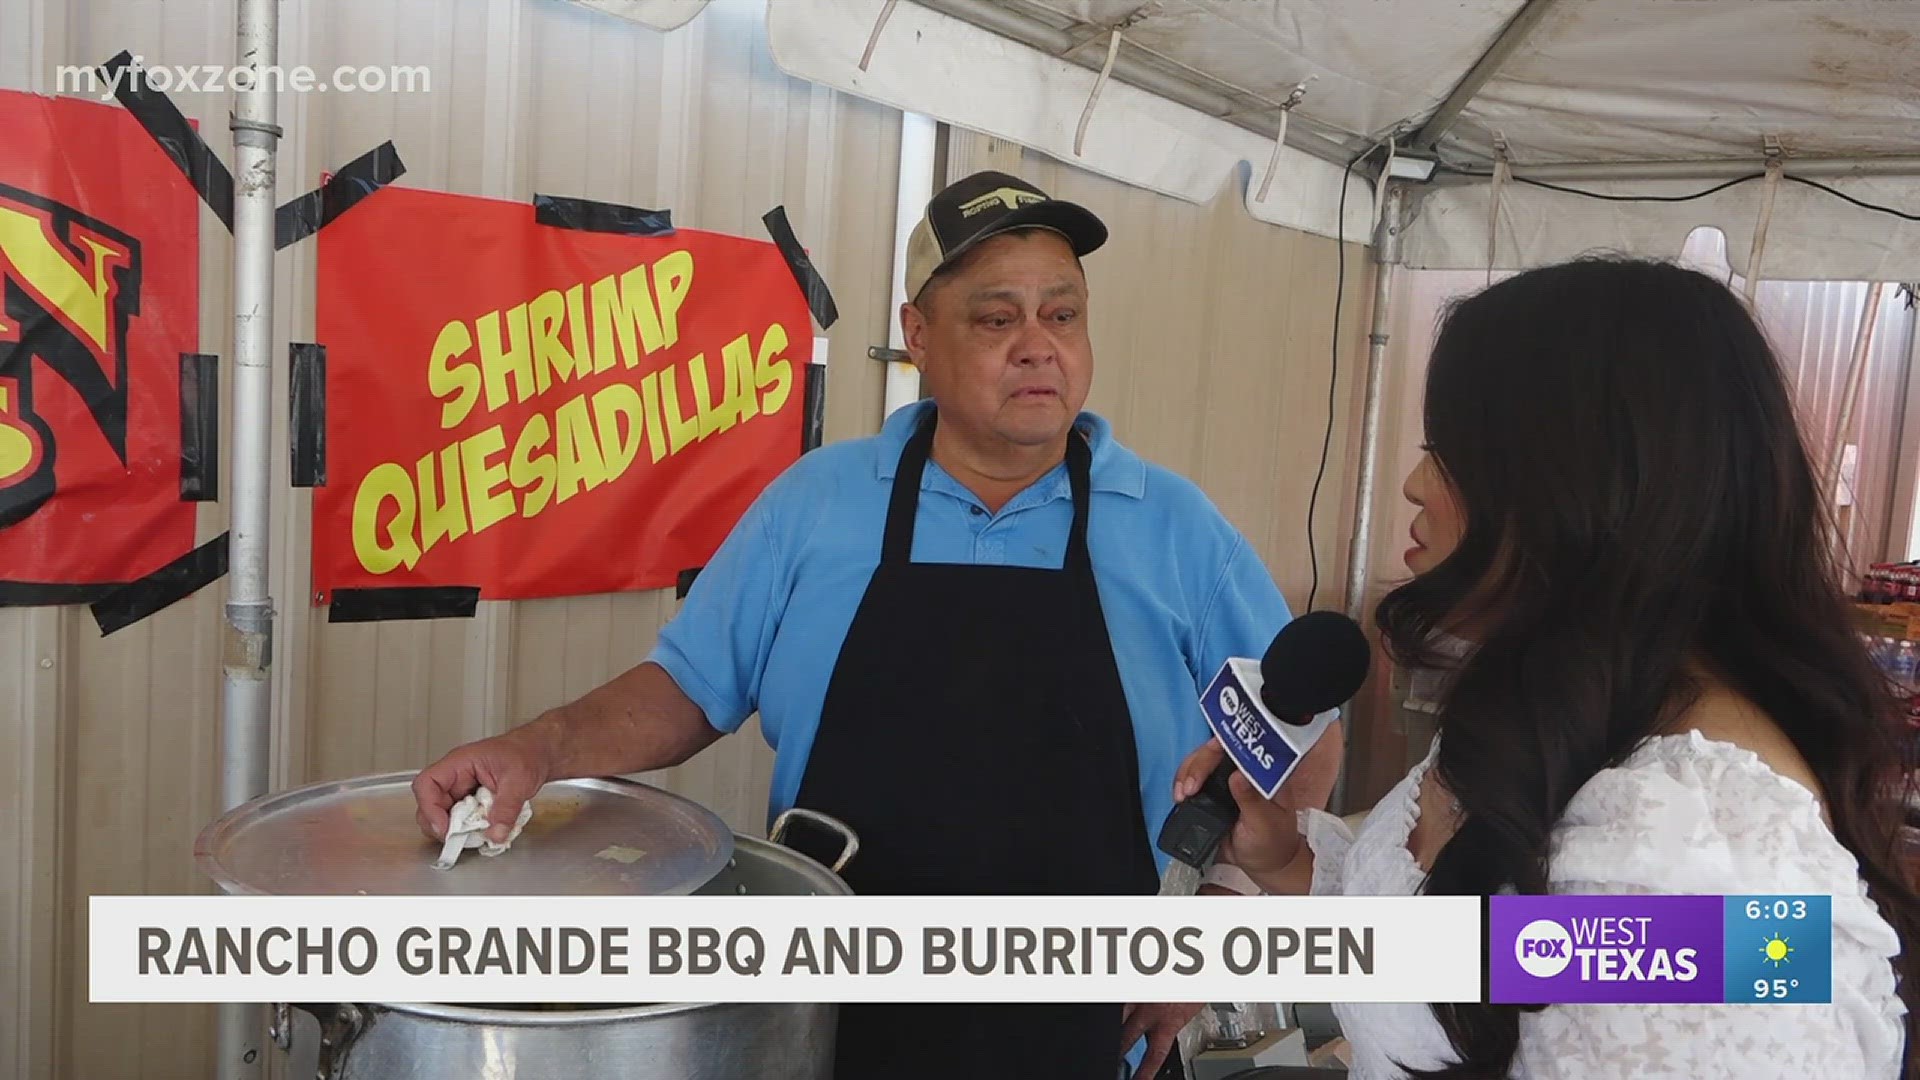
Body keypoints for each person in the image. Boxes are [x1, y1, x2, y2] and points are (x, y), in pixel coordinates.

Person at [412, 169, 1296, 1080]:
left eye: (1063, 315)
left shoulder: (1172, 525)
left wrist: (1218, 917)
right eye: (998, 319)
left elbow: (1299, 734)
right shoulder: (817, 503)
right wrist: (541, 747)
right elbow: (688, 687)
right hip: (832, 1003)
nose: (1039, 348)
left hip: (1083, 1014)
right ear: (918, 335)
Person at [1177, 256, 1920, 1078]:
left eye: (1451, 451)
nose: (1416, 485)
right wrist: (1287, 859)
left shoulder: (1683, 863)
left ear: (1581, 485)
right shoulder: (1561, 713)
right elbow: (1483, 952)